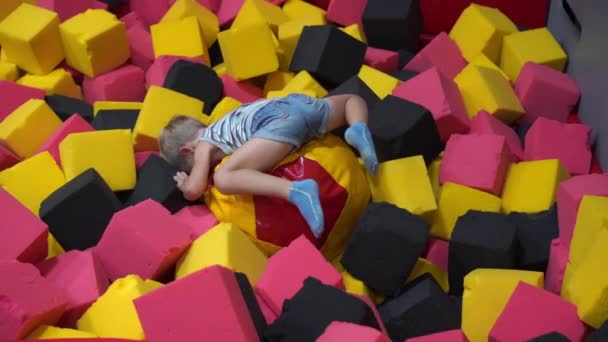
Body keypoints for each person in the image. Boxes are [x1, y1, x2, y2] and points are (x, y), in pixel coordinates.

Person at [159, 93, 378, 238]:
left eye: (191, 164)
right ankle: (358, 130)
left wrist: (187, 182)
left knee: (223, 178)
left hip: (277, 124)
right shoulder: (225, 121)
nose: (199, 166)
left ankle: (297, 191)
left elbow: (195, 189)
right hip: (294, 104)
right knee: (352, 100)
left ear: (187, 150)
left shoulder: (204, 145)